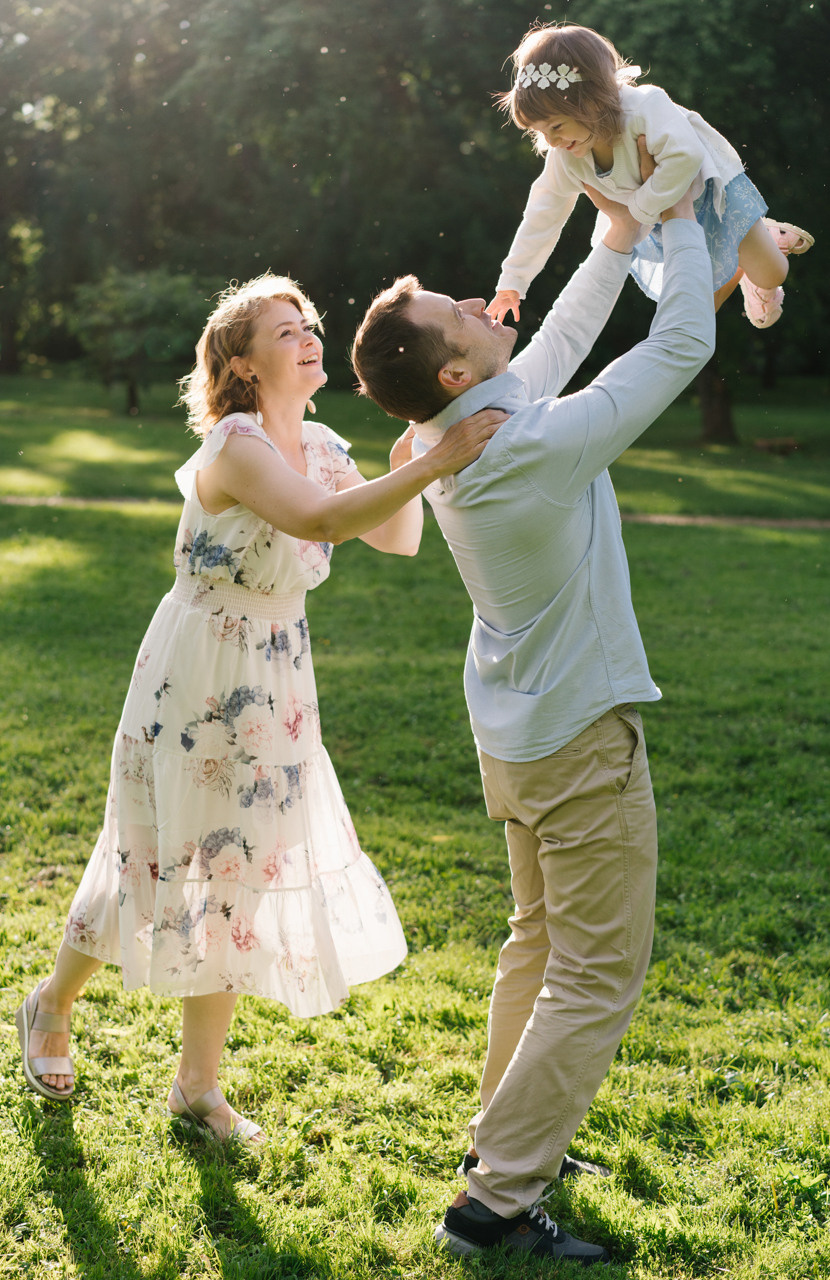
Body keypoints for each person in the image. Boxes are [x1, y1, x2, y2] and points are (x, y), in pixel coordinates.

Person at [15, 272, 502, 1142]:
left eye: (309, 324)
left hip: (276, 675)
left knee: (236, 872)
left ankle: (196, 1088)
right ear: (241, 362)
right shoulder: (238, 444)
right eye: (284, 331)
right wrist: (435, 461)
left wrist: (405, 462)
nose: (309, 337)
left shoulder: (317, 442)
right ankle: (51, 1005)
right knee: (153, 855)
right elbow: (319, 524)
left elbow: (393, 536)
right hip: (198, 669)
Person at [350, 166, 715, 1262]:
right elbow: (679, 348)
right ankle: (496, 1197)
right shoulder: (527, 445)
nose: (478, 298)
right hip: (575, 742)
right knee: (595, 973)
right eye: (457, 310)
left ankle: (502, 1150)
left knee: (538, 945)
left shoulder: (462, 425)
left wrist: (609, 236)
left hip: (517, 741)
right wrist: (682, 227)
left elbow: (552, 341)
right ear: (455, 363)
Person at [487, 22, 813, 330]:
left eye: (556, 126)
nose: (552, 142)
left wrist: (636, 210)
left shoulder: (643, 109)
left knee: (773, 273)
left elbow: (684, 157)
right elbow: (543, 213)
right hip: (662, 217)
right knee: (695, 311)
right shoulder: (567, 156)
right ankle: (737, 270)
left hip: (711, 196)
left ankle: (764, 245)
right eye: (541, 132)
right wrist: (513, 280)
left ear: (592, 101)